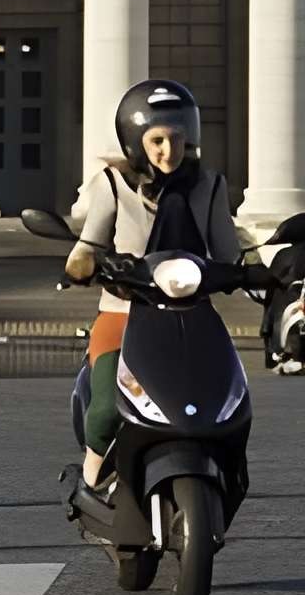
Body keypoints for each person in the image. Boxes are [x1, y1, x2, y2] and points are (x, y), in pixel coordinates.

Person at [63, 79, 244, 490]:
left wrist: (252, 271)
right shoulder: (114, 185)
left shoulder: (209, 187)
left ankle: (226, 472)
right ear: (135, 141)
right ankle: (90, 478)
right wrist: (84, 263)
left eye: (177, 139)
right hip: (123, 312)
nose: (168, 150)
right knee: (109, 408)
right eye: (157, 140)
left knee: (227, 396)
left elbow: (228, 252)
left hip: (191, 312)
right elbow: (87, 245)